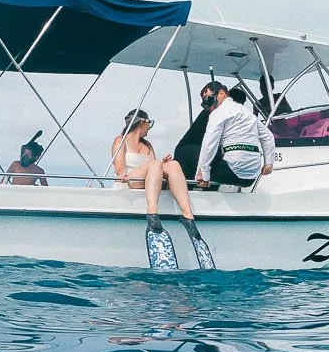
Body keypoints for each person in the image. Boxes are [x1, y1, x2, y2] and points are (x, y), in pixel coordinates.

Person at [112, 108, 202, 237]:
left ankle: (188, 216)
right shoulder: (121, 140)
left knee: (173, 164)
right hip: (129, 179)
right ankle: (152, 212)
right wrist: (157, 164)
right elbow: (120, 169)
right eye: (149, 124)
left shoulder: (147, 145)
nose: (149, 128)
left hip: (148, 180)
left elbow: (155, 168)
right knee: (155, 164)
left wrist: (164, 163)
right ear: (142, 122)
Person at [195, 81, 276, 190]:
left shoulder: (218, 113)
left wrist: (204, 173)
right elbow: (268, 136)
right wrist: (268, 163)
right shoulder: (247, 113)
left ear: (222, 94)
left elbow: (209, 143)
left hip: (232, 173)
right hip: (252, 177)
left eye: (208, 99)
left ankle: (192, 186)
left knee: (187, 151)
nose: (207, 104)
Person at [173, 79, 220, 174]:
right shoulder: (207, 115)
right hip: (188, 154)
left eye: (209, 100)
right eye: (205, 103)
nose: (207, 106)